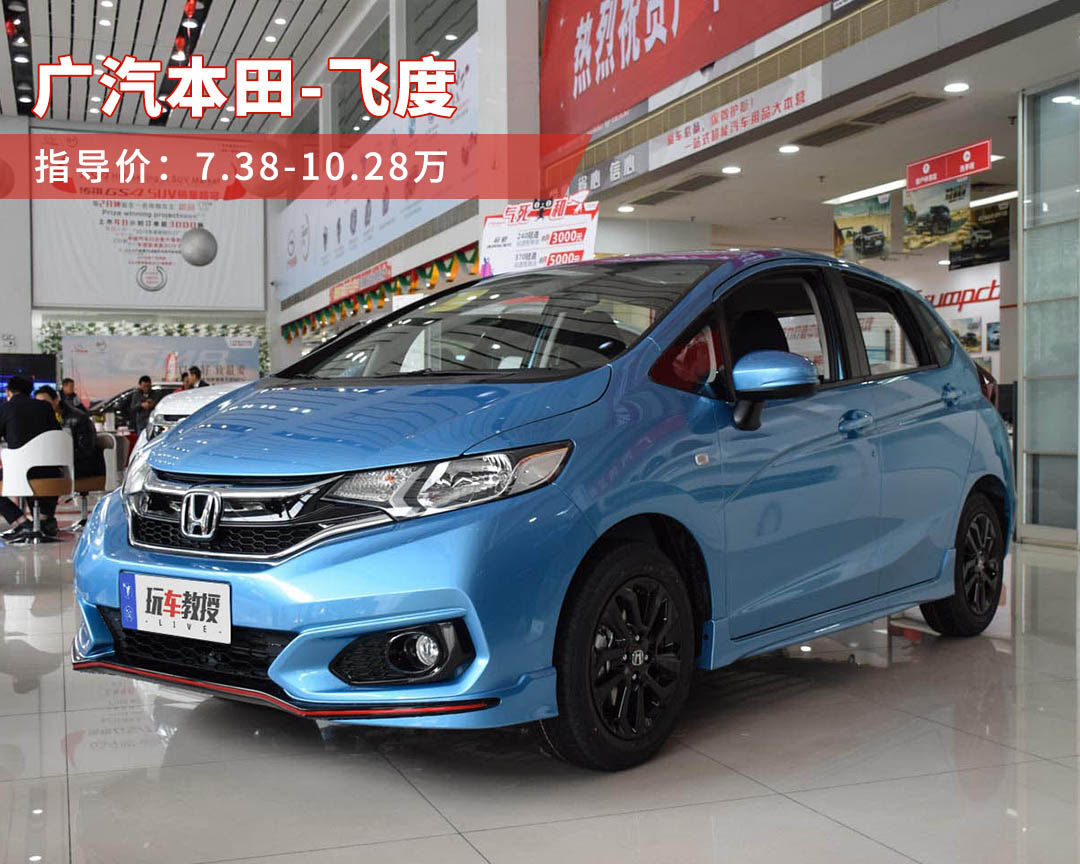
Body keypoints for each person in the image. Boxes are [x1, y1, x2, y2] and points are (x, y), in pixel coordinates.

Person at [0, 376, 62, 540]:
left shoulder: (5, 408)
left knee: (21, 468)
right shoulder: (45, 407)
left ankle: (21, 522)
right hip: (50, 471)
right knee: (41, 465)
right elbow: (58, 435)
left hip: (20, 471)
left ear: (9, 392)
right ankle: (43, 519)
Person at [35, 385, 106, 480]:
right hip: (61, 463)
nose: (41, 407)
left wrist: (59, 458)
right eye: (38, 404)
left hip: (82, 467)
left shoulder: (78, 418)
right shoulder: (43, 419)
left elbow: (86, 450)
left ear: (56, 400)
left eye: (45, 403)